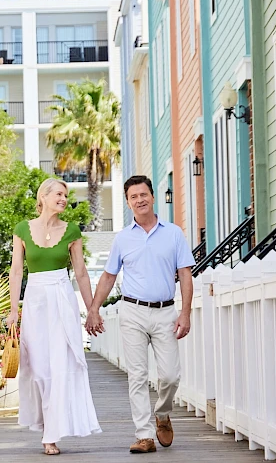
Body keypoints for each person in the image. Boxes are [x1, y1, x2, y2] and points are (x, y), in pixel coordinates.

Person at [86, 175, 195, 454]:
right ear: (128, 202)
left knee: (170, 375)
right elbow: (109, 277)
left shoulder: (173, 233)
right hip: (132, 310)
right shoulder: (123, 238)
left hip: (165, 311)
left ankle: (162, 413)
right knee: (136, 374)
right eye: (133, 197)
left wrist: (185, 312)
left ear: (152, 197)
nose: (140, 200)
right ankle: (144, 435)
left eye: (143, 194)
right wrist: (94, 309)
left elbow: (185, 274)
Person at [6, 178, 101, 456]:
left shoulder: (71, 231)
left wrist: (92, 309)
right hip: (35, 301)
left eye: (65, 194)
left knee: (60, 364)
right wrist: (14, 310)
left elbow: (81, 273)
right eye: (59, 194)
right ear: (44, 197)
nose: (63, 198)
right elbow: (16, 272)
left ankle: (51, 435)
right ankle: (46, 422)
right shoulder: (23, 229)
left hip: (62, 298)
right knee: (38, 368)